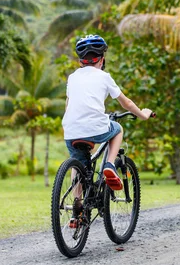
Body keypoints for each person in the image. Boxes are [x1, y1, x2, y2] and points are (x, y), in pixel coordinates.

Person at [62, 35, 153, 223]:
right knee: (117, 129)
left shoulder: (72, 78)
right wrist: (143, 114)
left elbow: (68, 106)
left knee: (78, 162)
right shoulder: (104, 77)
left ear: (80, 61)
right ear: (102, 59)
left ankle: (77, 209)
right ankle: (110, 164)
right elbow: (125, 103)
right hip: (96, 126)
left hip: (71, 129)